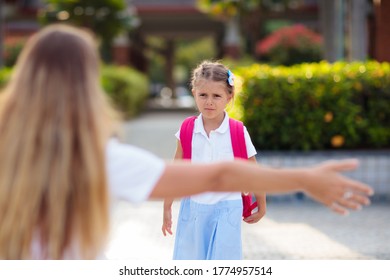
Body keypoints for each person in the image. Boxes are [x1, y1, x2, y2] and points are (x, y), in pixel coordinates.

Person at [0, 24, 373, 260]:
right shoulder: (103, 160)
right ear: (89, 87)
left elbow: (224, 175)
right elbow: (219, 176)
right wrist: (306, 180)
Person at [161, 61, 267, 260]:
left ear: (229, 97)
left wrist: (261, 203)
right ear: (194, 93)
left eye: (216, 96)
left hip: (228, 208)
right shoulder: (187, 130)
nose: (209, 101)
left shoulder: (237, 131)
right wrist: (167, 207)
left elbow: (254, 171)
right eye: (203, 95)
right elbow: (176, 171)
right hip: (193, 207)